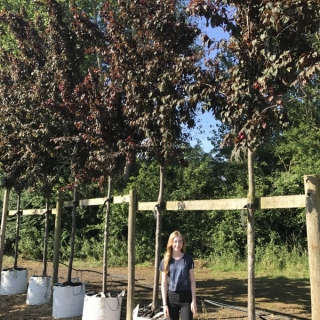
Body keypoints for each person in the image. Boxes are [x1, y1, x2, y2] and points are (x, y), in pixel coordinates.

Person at [159, 231, 197, 320]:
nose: (178, 244)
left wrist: (193, 301)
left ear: (183, 243)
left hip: (186, 298)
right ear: (171, 243)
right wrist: (164, 305)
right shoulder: (165, 261)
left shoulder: (188, 259)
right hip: (171, 298)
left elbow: (192, 280)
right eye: (175, 241)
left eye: (180, 241)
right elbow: (164, 284)